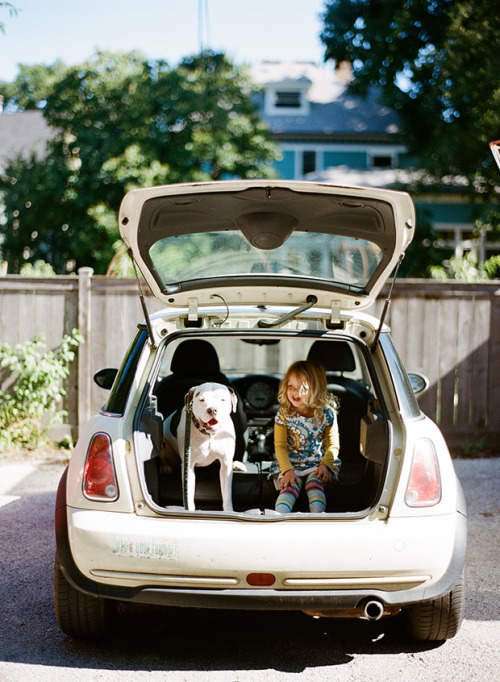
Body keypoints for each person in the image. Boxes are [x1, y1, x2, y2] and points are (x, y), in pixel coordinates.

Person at [270, 360, 341, 513]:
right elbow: (280, 446)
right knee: (289, 486)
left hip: (317, 462)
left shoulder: (327, 414)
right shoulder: (284, 414)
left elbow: (333, 445)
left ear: (315, 389)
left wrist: (325, 465)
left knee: (315, 484)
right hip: (291, 463)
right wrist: (287, 470)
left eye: (302, 388)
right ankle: (279, 518)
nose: (295, 393)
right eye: (291, 387)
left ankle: (317, 518)